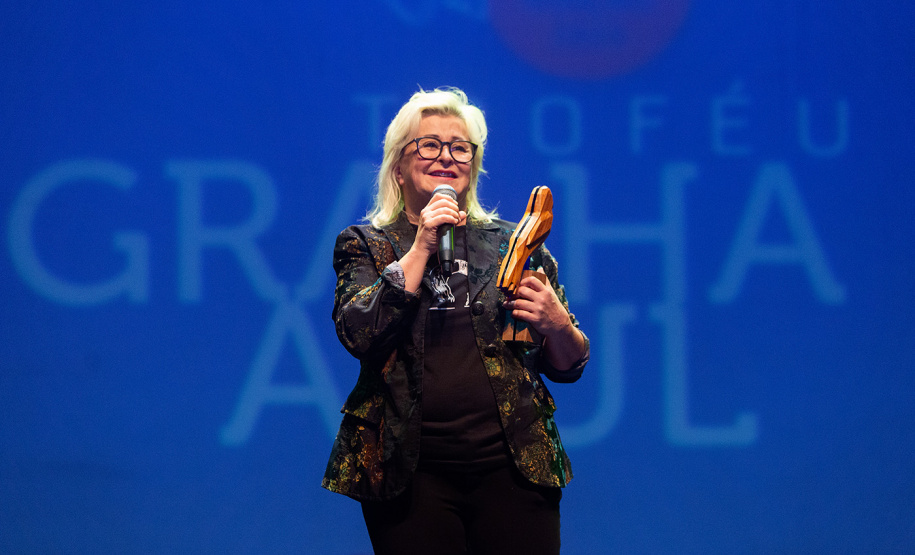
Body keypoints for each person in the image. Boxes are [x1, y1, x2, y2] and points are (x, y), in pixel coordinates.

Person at [322, 87, 589, 555]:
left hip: (513, 470)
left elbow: (568, 366)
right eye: (429, 144)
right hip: (411, 475)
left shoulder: (516, 244)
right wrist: (422, 245)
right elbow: (358, 332)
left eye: (460, 147)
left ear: (473, 165)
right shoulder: (366, 244)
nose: (446, 156)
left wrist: (558, 325)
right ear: (398, 167)